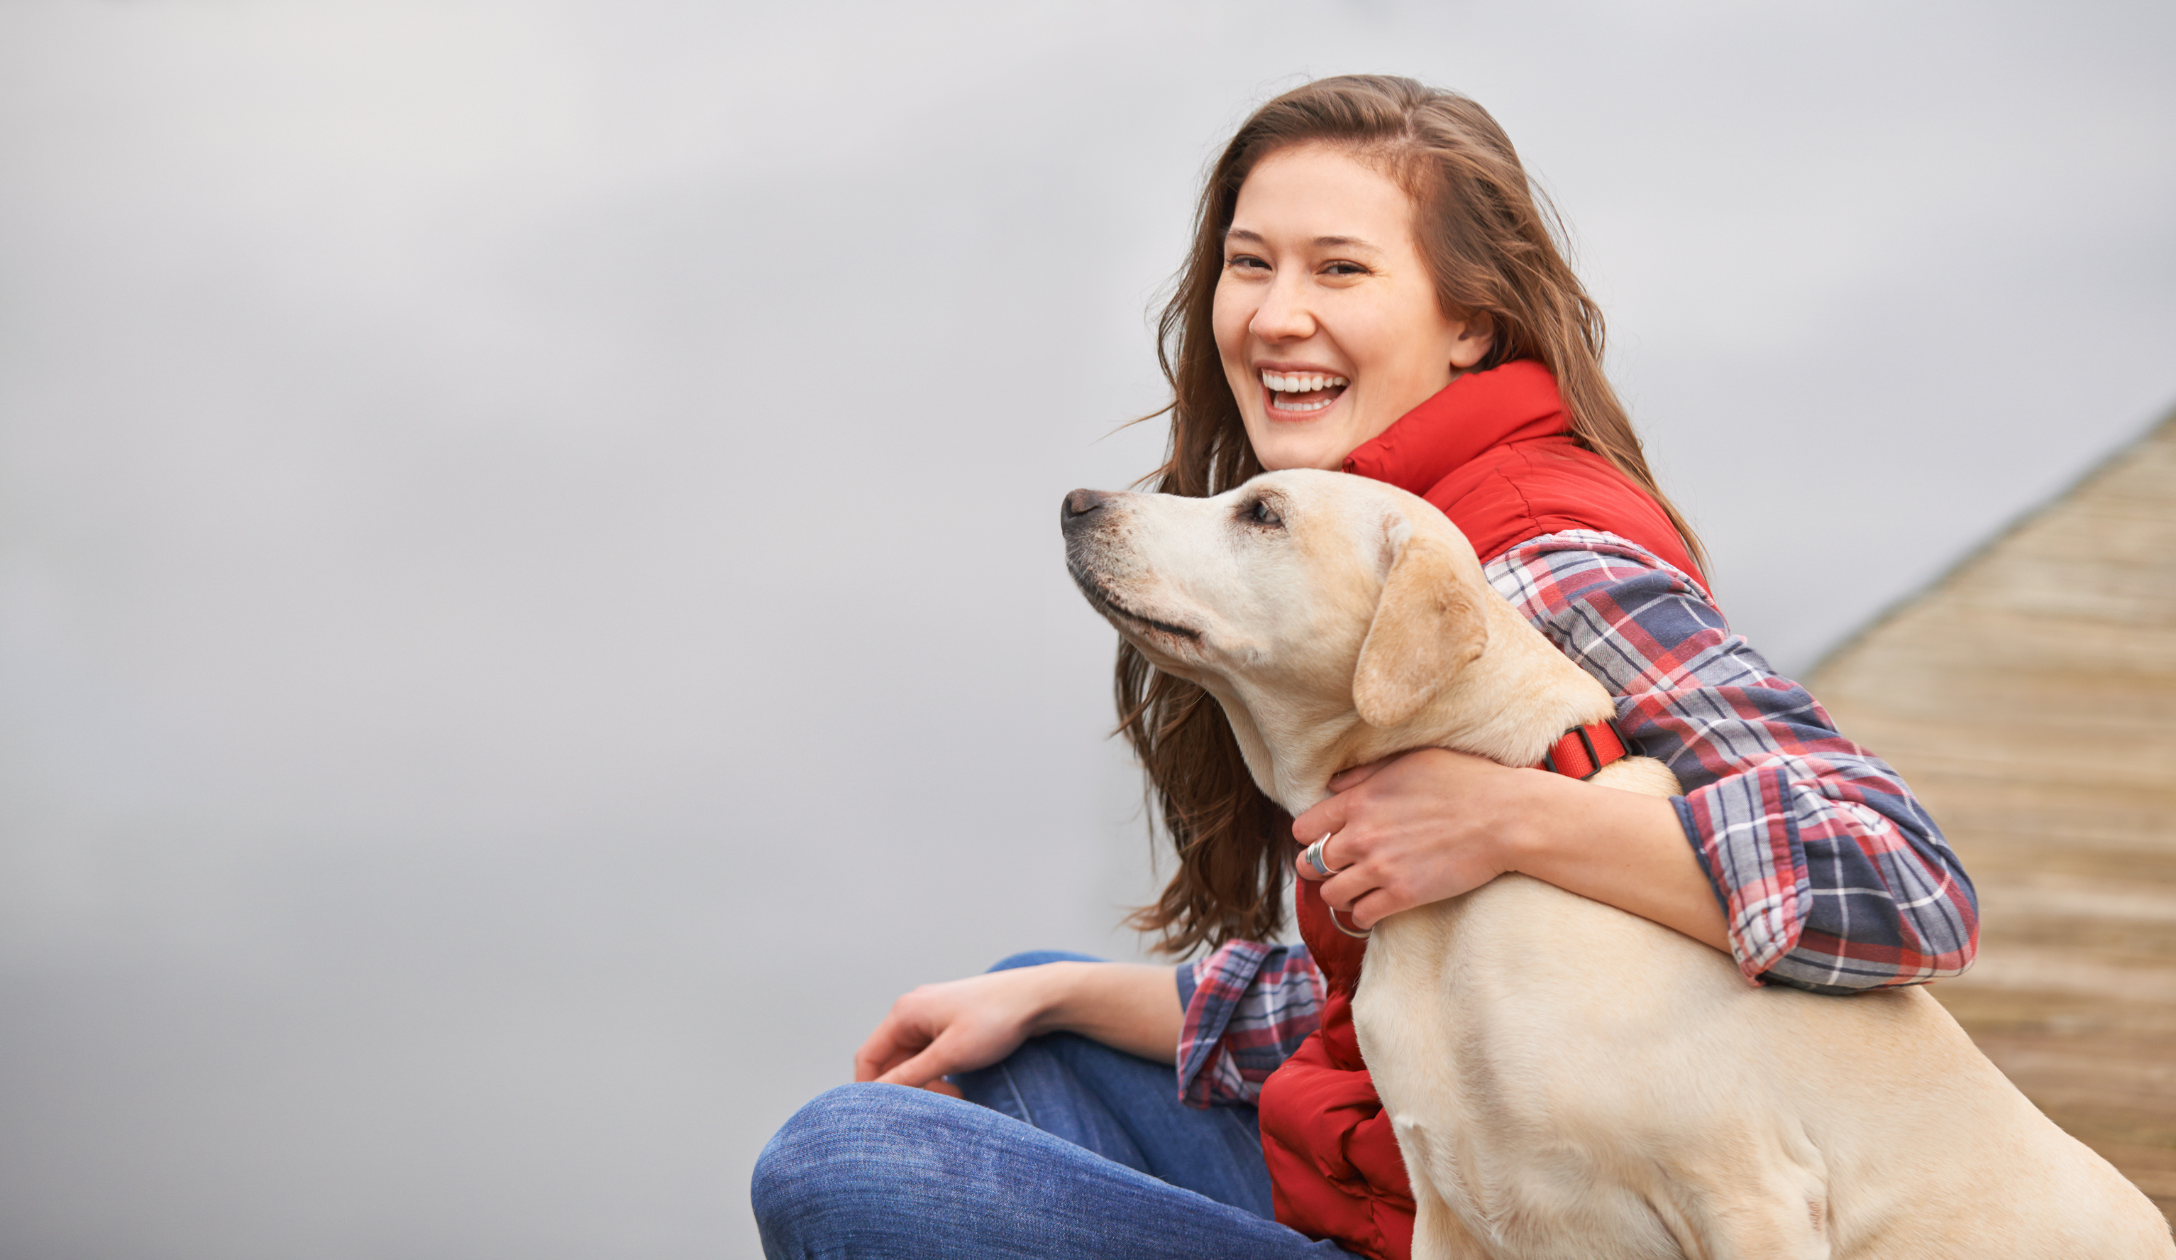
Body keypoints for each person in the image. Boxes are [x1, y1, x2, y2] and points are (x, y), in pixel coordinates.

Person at [750, 75, 1978, 1260]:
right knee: (1024, 1018)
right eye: (1249, 263)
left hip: (1481, 1226)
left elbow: (1906, 884)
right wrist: (1062, 995)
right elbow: (1406, 994)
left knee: (845, 1165)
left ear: (1469, 322)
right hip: (1397, 1175)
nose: (1275, 316)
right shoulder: (1366, 523)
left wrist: (1511, 819)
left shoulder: (1531, 561)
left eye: (1338, 269)